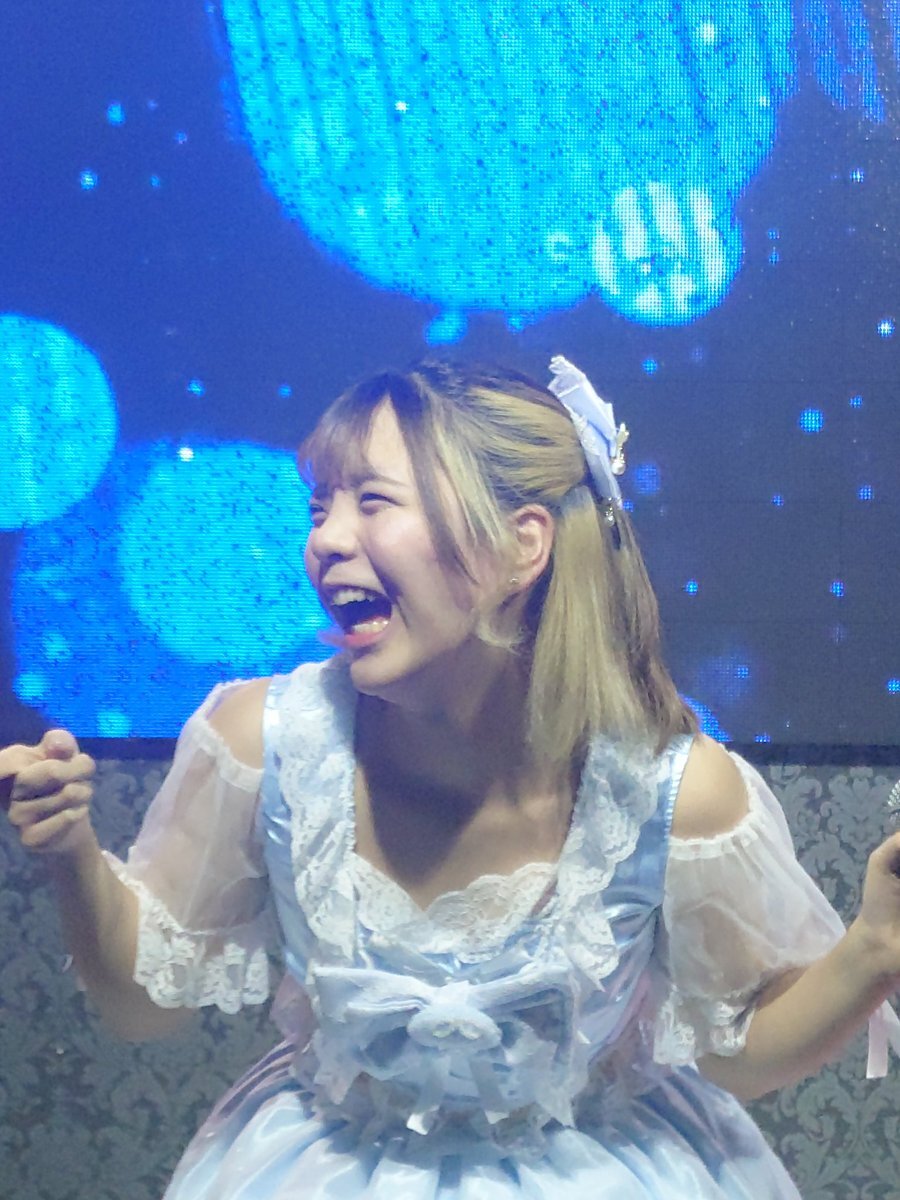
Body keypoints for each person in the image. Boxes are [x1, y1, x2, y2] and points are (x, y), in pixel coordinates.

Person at [3, 356, 900, 1198]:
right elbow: (143, 1005)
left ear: (522, 546)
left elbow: (739, 1053)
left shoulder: (673, 792)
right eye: (320, 507)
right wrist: (70, 849)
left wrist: (874, 947)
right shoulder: (262, 743)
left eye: (373, 501)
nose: (326, 540)